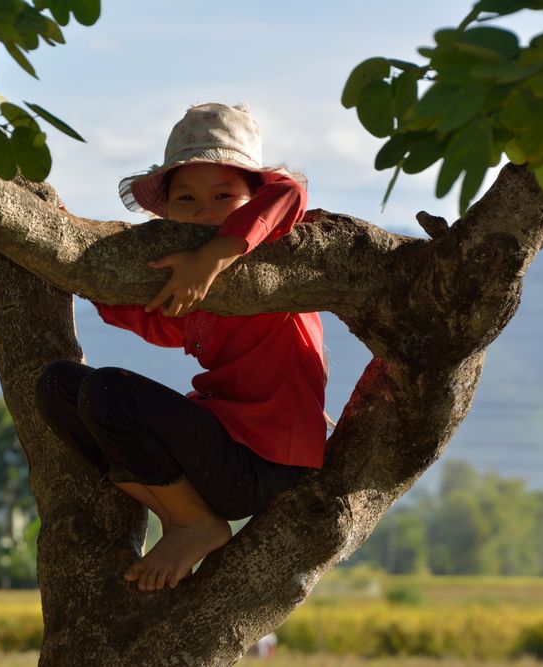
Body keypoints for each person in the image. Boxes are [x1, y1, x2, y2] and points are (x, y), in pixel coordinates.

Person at [34, 102, 329, 592]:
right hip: (215, 451)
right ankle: (184, 513)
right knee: (60, 387)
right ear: (167, 211)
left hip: (267, 462)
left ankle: (194, 526)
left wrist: (212, 258)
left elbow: (290, 190)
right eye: (186, 199)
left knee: (109, 391)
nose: (204, 211)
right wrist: (63, 239)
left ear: (252, 201)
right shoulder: (187, 295)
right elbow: (132, 306)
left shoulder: (275, 261)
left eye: (223, 195)